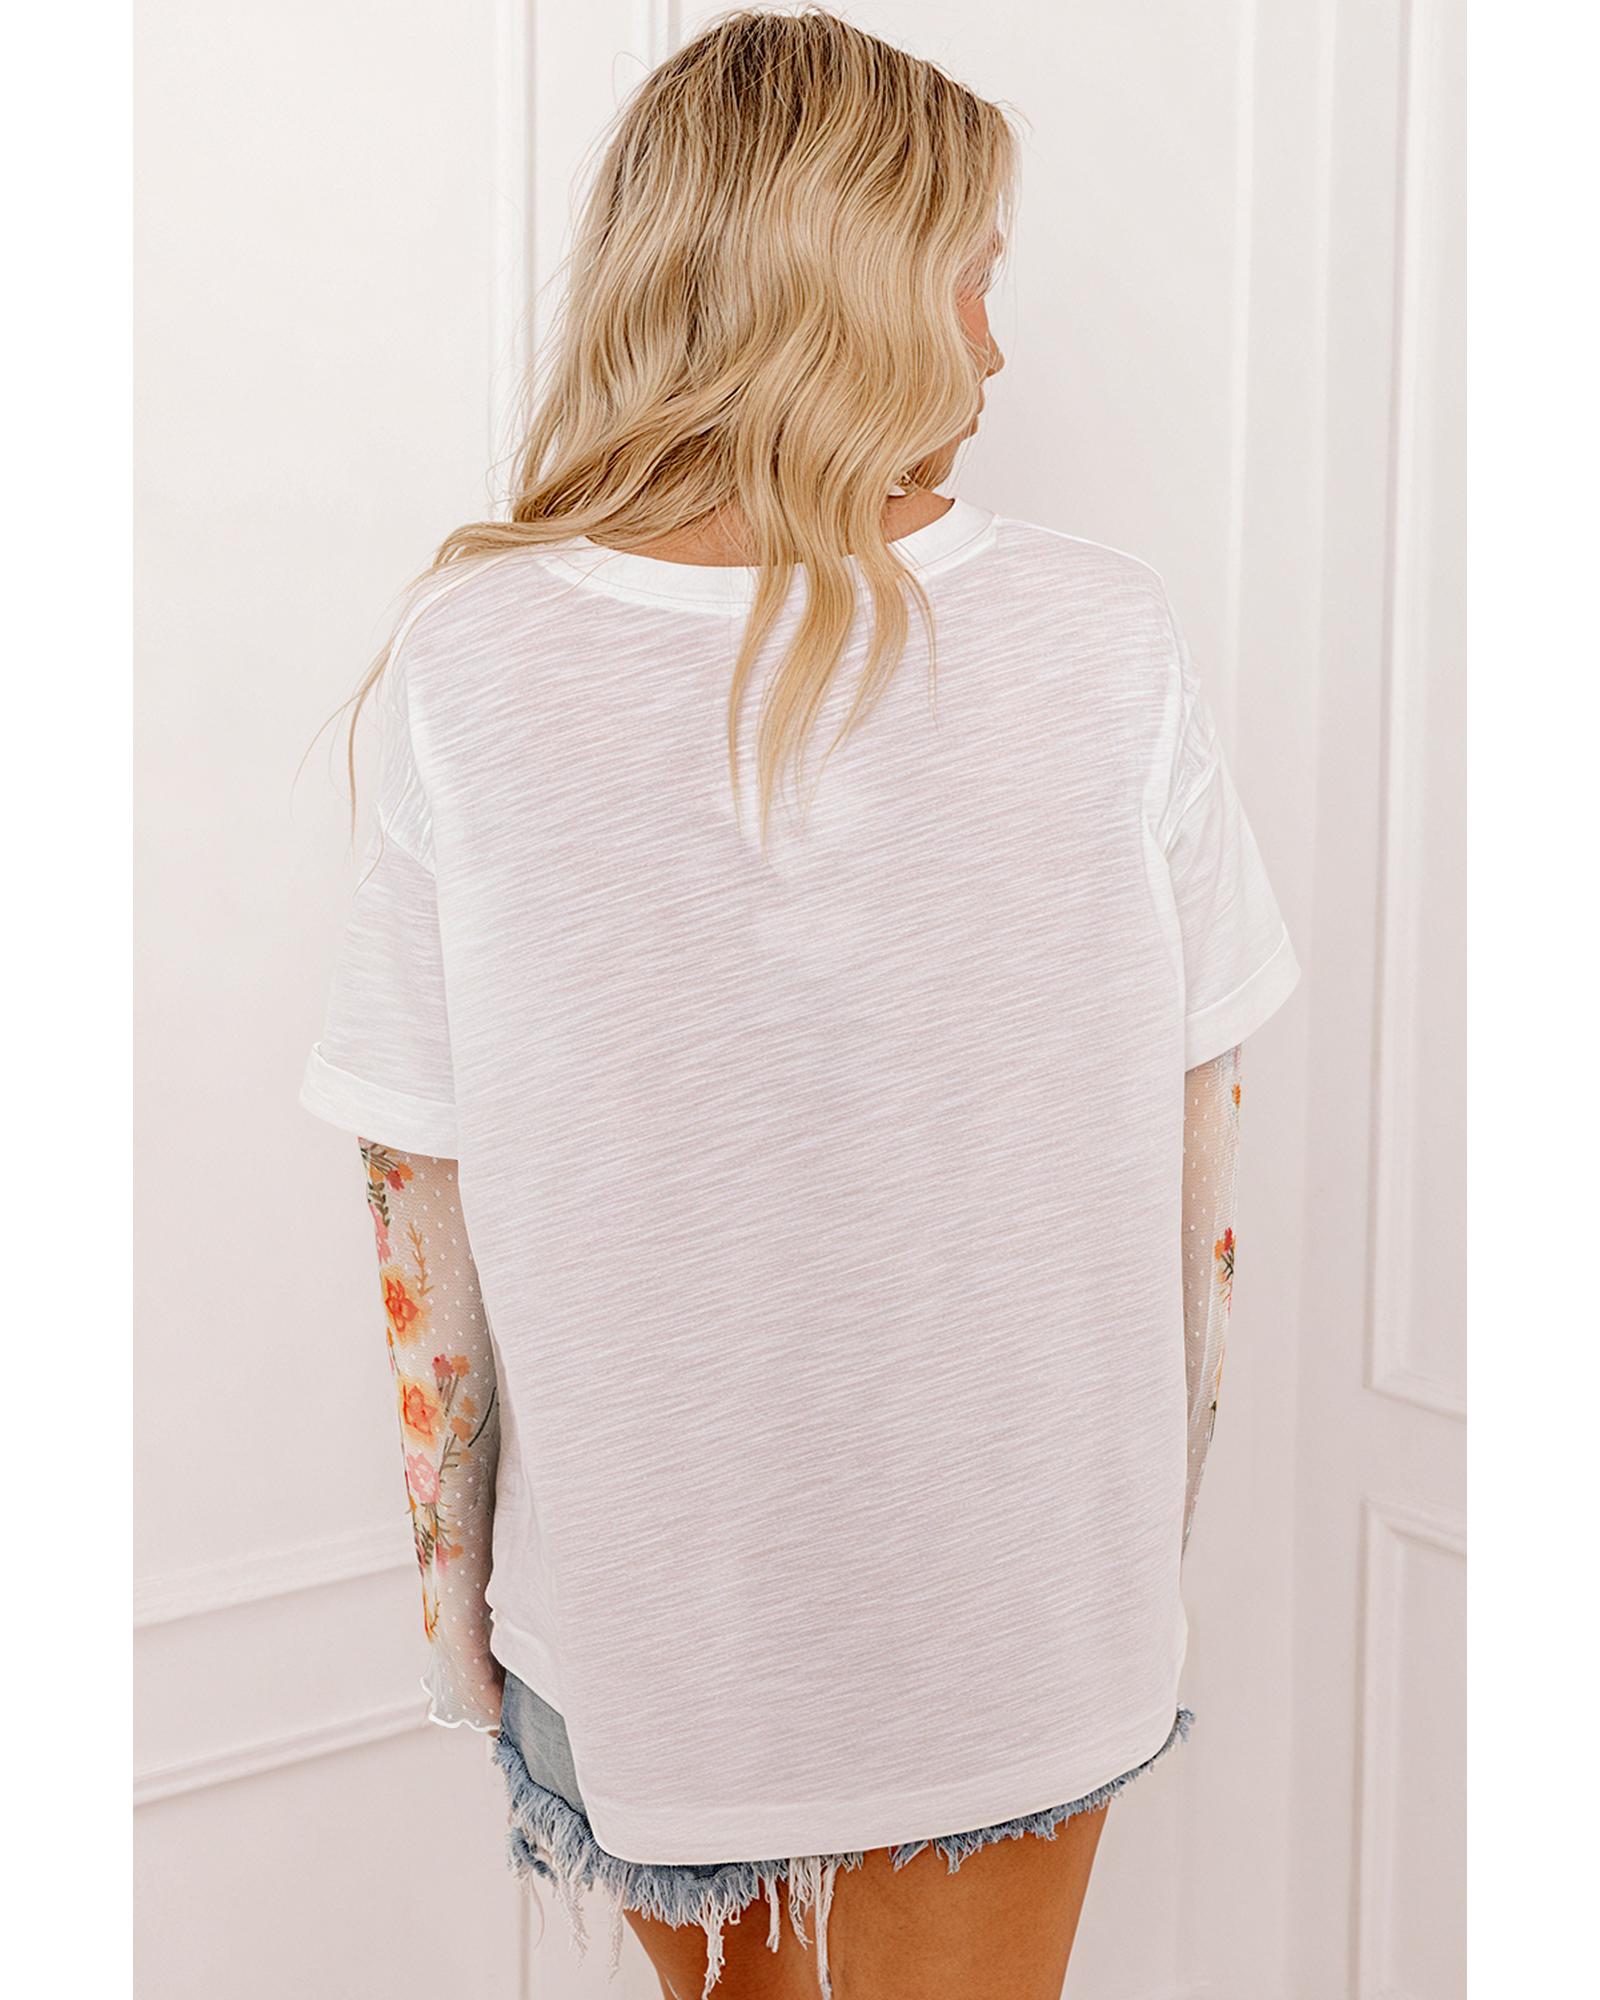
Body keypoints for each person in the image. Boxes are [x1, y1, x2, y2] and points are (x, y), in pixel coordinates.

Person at [300, 11, 1298, 1997]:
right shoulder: (1098, 637)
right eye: (973, 278)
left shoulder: (471, 658)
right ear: (854, 283)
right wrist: (1132, 1542)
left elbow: (420, 1216)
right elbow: (1198, 1191)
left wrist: (464, 1630)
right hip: (1015, 1608)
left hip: (639, 1619)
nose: (997, 351)